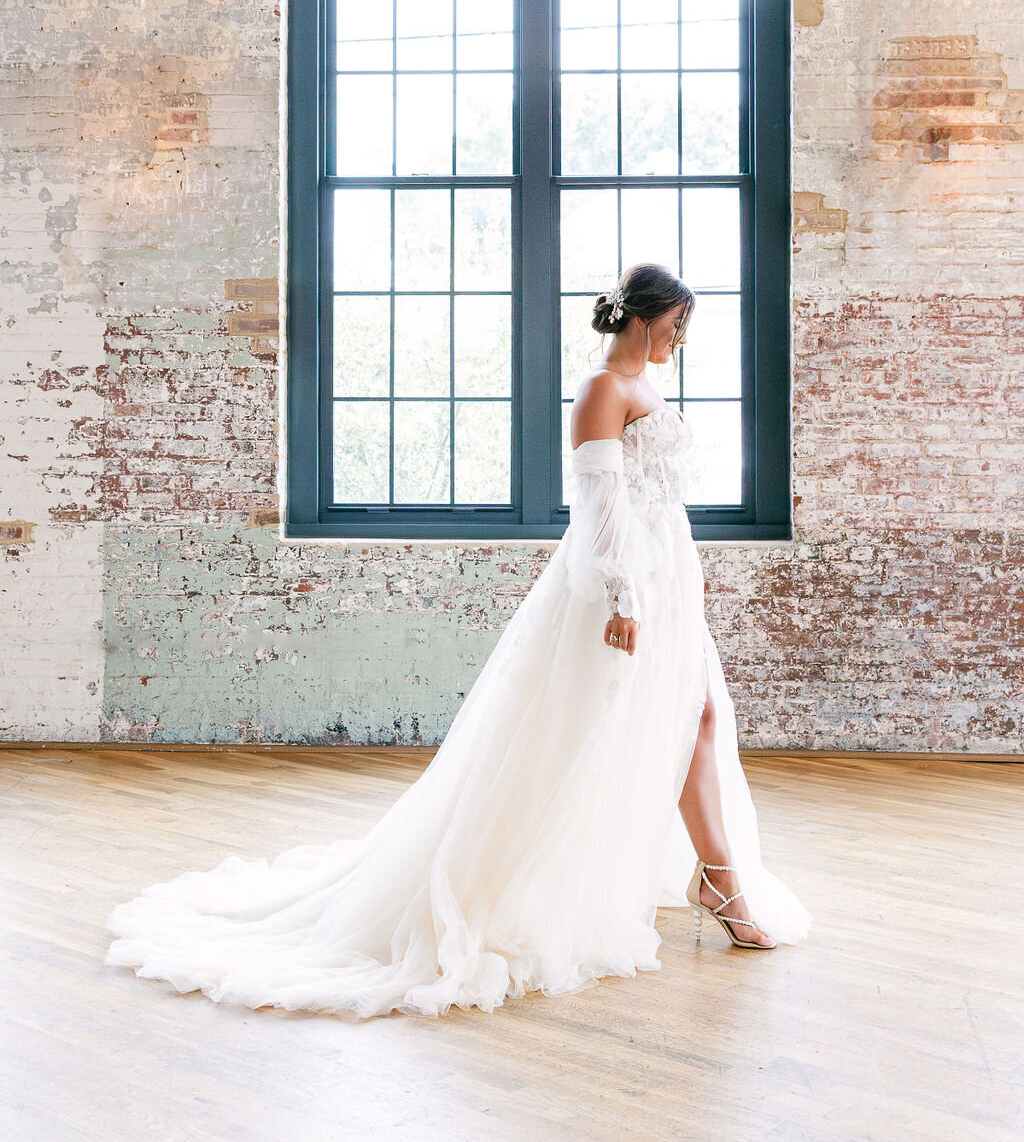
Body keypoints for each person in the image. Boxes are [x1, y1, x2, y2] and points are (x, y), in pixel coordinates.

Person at [103, 262, 811, 1020]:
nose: (681, 336)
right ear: (643, 318)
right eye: (676, 322)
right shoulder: (603, 388)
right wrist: (623, 593)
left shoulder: (646, 386)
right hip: (624, 587)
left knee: (694, 718)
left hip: (670, 577)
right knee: (602, 731)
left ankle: (717, 876)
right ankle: (696, 883)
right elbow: (599, 503)